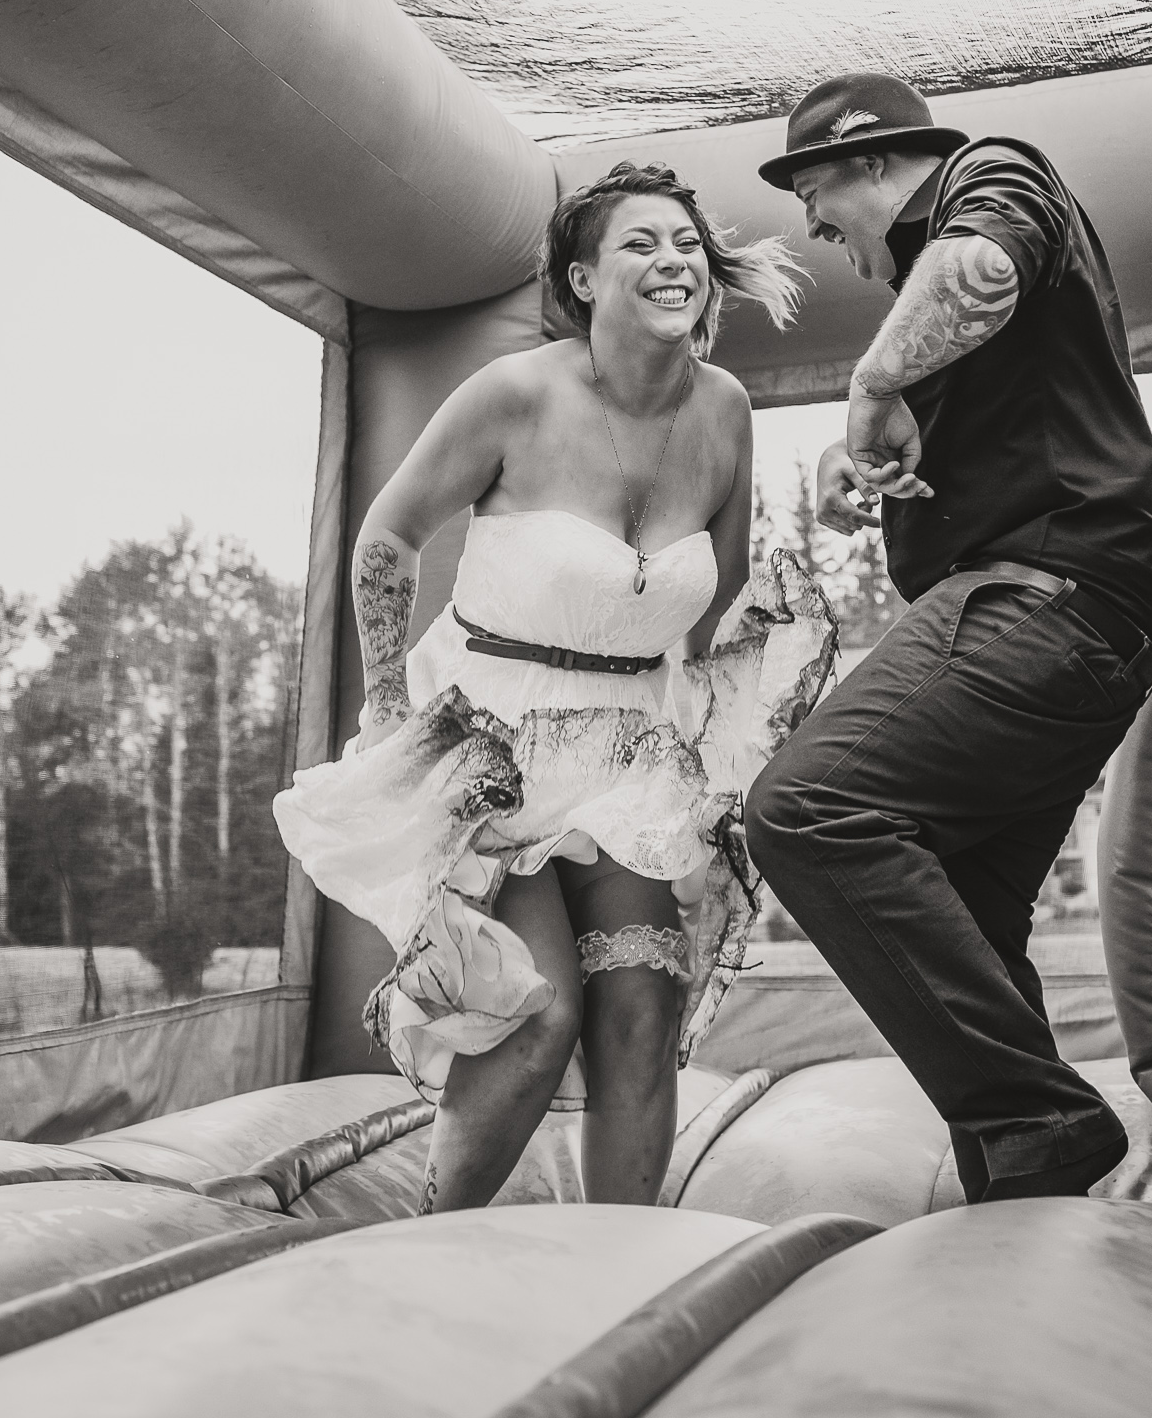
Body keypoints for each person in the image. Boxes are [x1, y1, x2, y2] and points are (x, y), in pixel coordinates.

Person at [275, 162, 815, 1214]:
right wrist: (388, 702)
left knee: (643, 1014)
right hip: (495, 746)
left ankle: (617, 1260)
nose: (674, 260)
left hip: (631, 758)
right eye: (641, 244)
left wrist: (731, 736)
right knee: (537, 1018)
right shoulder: (515, 393)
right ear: (583, 275)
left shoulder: (727, 410)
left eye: (687, 243)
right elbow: (386, 537)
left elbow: (725, 595)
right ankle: (432, 1235)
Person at [747, 73, 1152, 1203]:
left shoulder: (993, 174)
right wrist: (877, 464)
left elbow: (981, 268)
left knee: (804, 808)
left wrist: (876, 377)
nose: (813, 226)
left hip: (1048, 600)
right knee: (972, 926)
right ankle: (1025, 1198)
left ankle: (1040, 1118)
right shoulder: (947, 319)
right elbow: (985, 383)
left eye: (811, 192)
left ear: (869, 161)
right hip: (1082, 635)